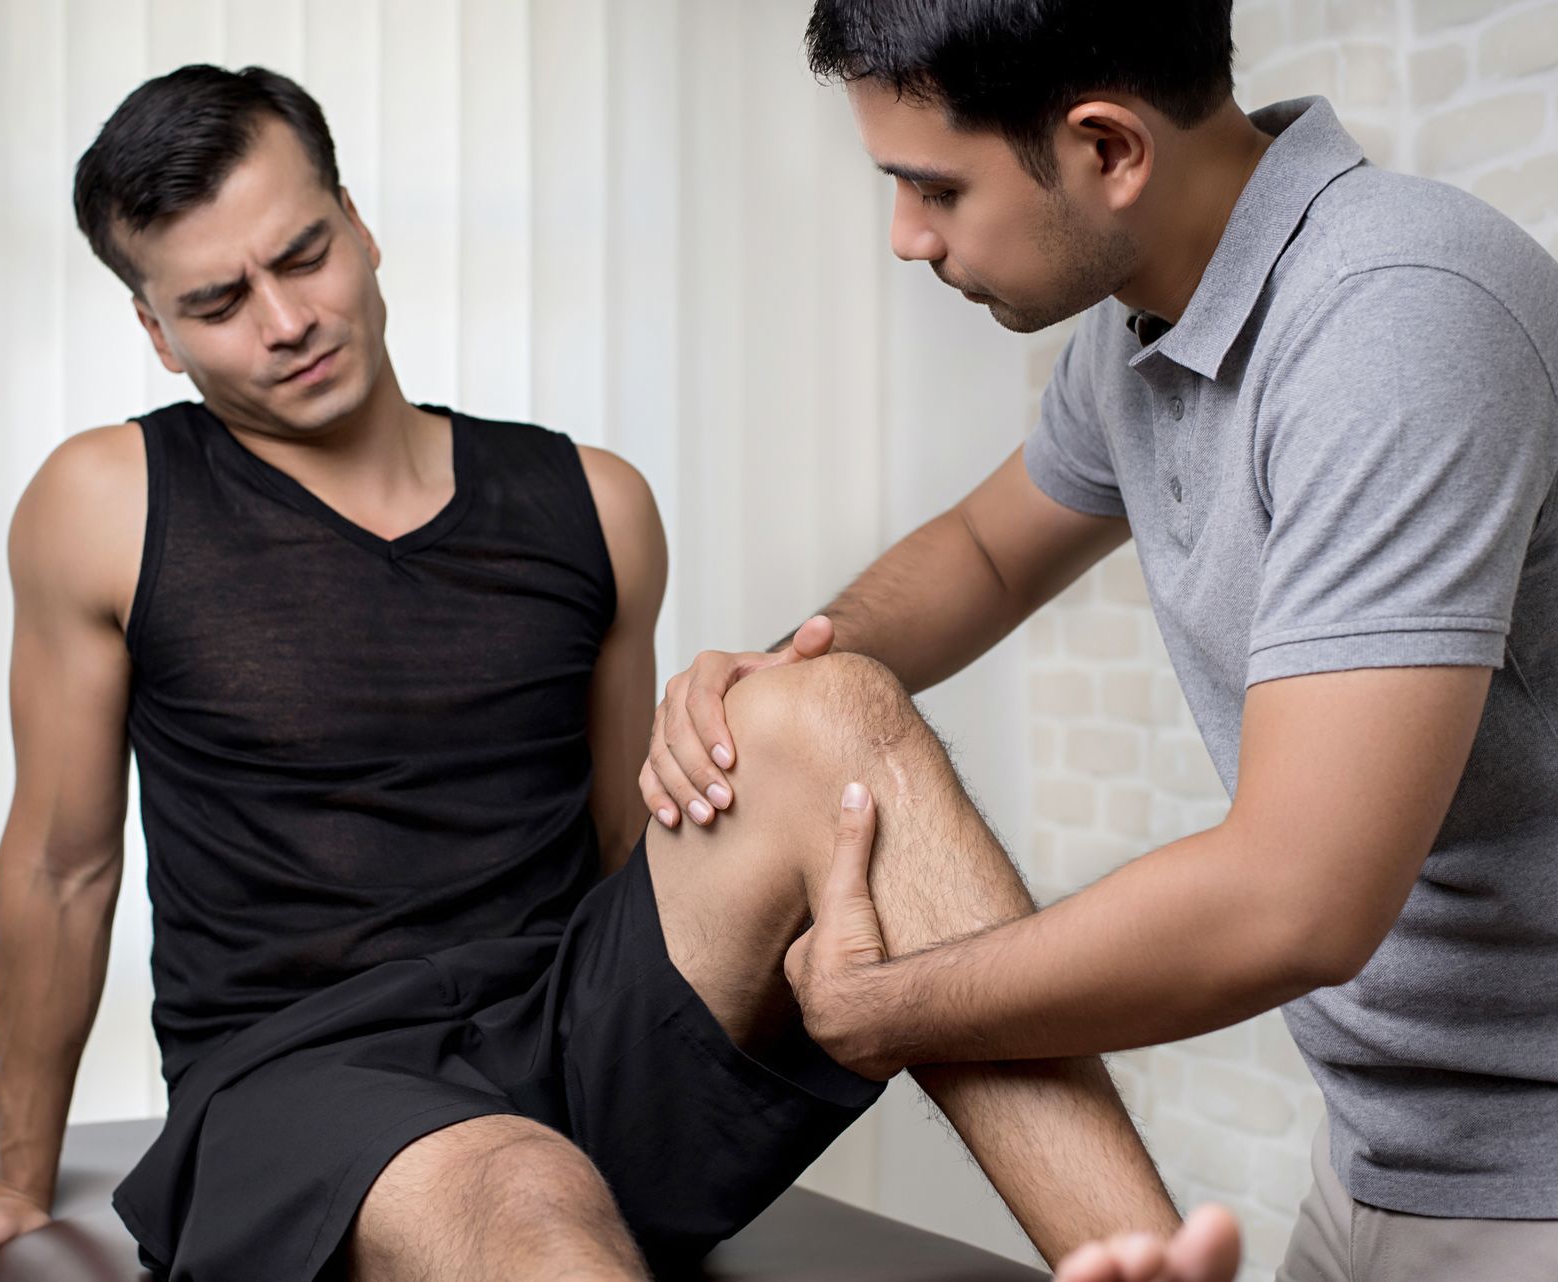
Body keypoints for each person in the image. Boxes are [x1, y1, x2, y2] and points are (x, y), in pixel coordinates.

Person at [0, 63, 1190, 1282]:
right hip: (301, 1081)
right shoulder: (105, 500)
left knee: (836, 700)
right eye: (218, 302)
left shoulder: (595, 501)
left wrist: (805, 915)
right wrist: (24, 1178)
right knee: (520, 1182)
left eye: (303, 255)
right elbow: (63, 866)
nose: (288, 320)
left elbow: (631, 831)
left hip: (573, 1030)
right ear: (156, 331)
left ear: (356, 225)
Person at [643, 3, 1558, 1280]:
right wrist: (795, 660)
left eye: (932, 187)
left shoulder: (1396, 320)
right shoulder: (1141, 328)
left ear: (1108, 149)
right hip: (1377, 1160)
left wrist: (884, 1005)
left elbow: (1295, 900)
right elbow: (986, 550)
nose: (906, 238)